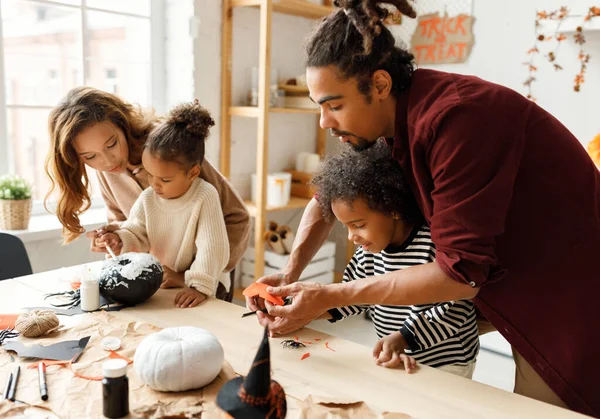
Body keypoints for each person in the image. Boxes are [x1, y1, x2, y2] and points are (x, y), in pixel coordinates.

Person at [246, 0, 600, 415]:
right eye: (318, 106)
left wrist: (328, 295)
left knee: (543, 408)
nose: (324, 121)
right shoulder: (385, 120)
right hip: (500, 275)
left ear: (378, 85)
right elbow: (326, 197)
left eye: (334, 104)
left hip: (565, 287)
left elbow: (459, 274)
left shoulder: (459, 119)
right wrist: (291, 276)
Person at [45, 87, 249, 299]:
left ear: (122, 124)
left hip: (204, 284)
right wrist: (115, 238)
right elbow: (131, 224)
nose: (107, 161)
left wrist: (195, 278)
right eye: (89, 156)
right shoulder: (106, 171)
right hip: (160, 286)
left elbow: (237, 218)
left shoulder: (168, 148)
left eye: (112, 144)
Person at [311, 142, 478, 377]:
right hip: (400, 355)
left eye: (358, 225)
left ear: (393, 209)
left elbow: (456, 307)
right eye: (345, 227)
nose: (352, 237)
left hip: (448, 362)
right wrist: (307, 307)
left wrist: (405, 337)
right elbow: (351, 297)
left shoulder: (434, 244)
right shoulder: (368, 251)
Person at [97, 101, 229, 308]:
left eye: (165, 180)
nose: (154, 184)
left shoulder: (204, 195)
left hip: (203, 283)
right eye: (150, 175)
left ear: (193, 173)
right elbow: (137, 233)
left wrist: (198, 285)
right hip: (166, 283)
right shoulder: (149, 197)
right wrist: (118, 239)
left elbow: (212, 247)